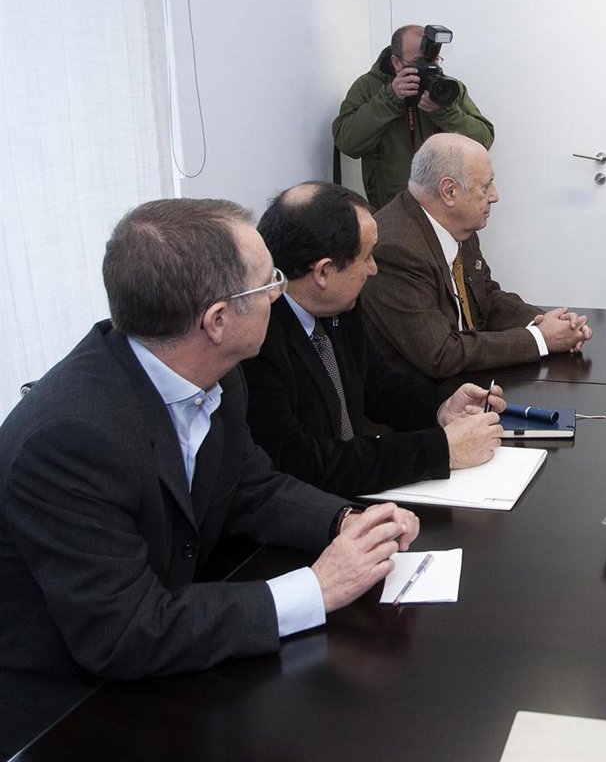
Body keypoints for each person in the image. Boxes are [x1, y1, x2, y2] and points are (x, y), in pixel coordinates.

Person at [0, 199, 421, 756]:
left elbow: (252, 486)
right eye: (269, 282)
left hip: (170, 662)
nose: (281, 293)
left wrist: (347, 520)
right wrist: (315, 589)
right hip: (70, 714)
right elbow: (125, 632)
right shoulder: (69, 439)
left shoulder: (212, 372)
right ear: (218, 321)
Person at [244, 182, 506, 497]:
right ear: (324, 272)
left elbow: (376, 384)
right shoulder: (255, 339)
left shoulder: (339, 303)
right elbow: (299, 463)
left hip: (354, 490)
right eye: (367, 256)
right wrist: (441, 450)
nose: (374, 269)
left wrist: (440, 408)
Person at [360, 133, 591, 379]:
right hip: (424, 393)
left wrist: (546, 322)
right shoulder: (396, 249)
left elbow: (485, 297)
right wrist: (540, 339)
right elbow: (441, 354)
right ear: (449, 191)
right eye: (485, 186)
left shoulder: (457, 224)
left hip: (467, 379)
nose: (495, 195)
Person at [333, 24, 494, 210]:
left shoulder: (446, 88)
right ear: (396, 62)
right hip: (393, 207)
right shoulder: (369, 88)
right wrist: (390, 99)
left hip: (448, 204)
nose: (429, 68)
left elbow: (483, 139)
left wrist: (443, 112)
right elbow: (347, 142)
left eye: (433, 60)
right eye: (418, 62)